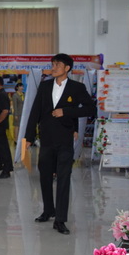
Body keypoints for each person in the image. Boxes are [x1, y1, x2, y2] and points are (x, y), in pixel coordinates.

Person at [25, 53, 96, 235]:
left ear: (67, 68)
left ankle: (60, 219)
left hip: (65, 140)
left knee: (64, 178)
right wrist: (29, 136)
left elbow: (91, 109)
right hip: (46, 139)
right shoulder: (45, 86)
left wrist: (66, 112)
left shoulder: (77, 87)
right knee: (45, 175)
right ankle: (48, 210)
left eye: (57, 64)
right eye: (53, 64)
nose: (54, 67)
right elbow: (35, 111)